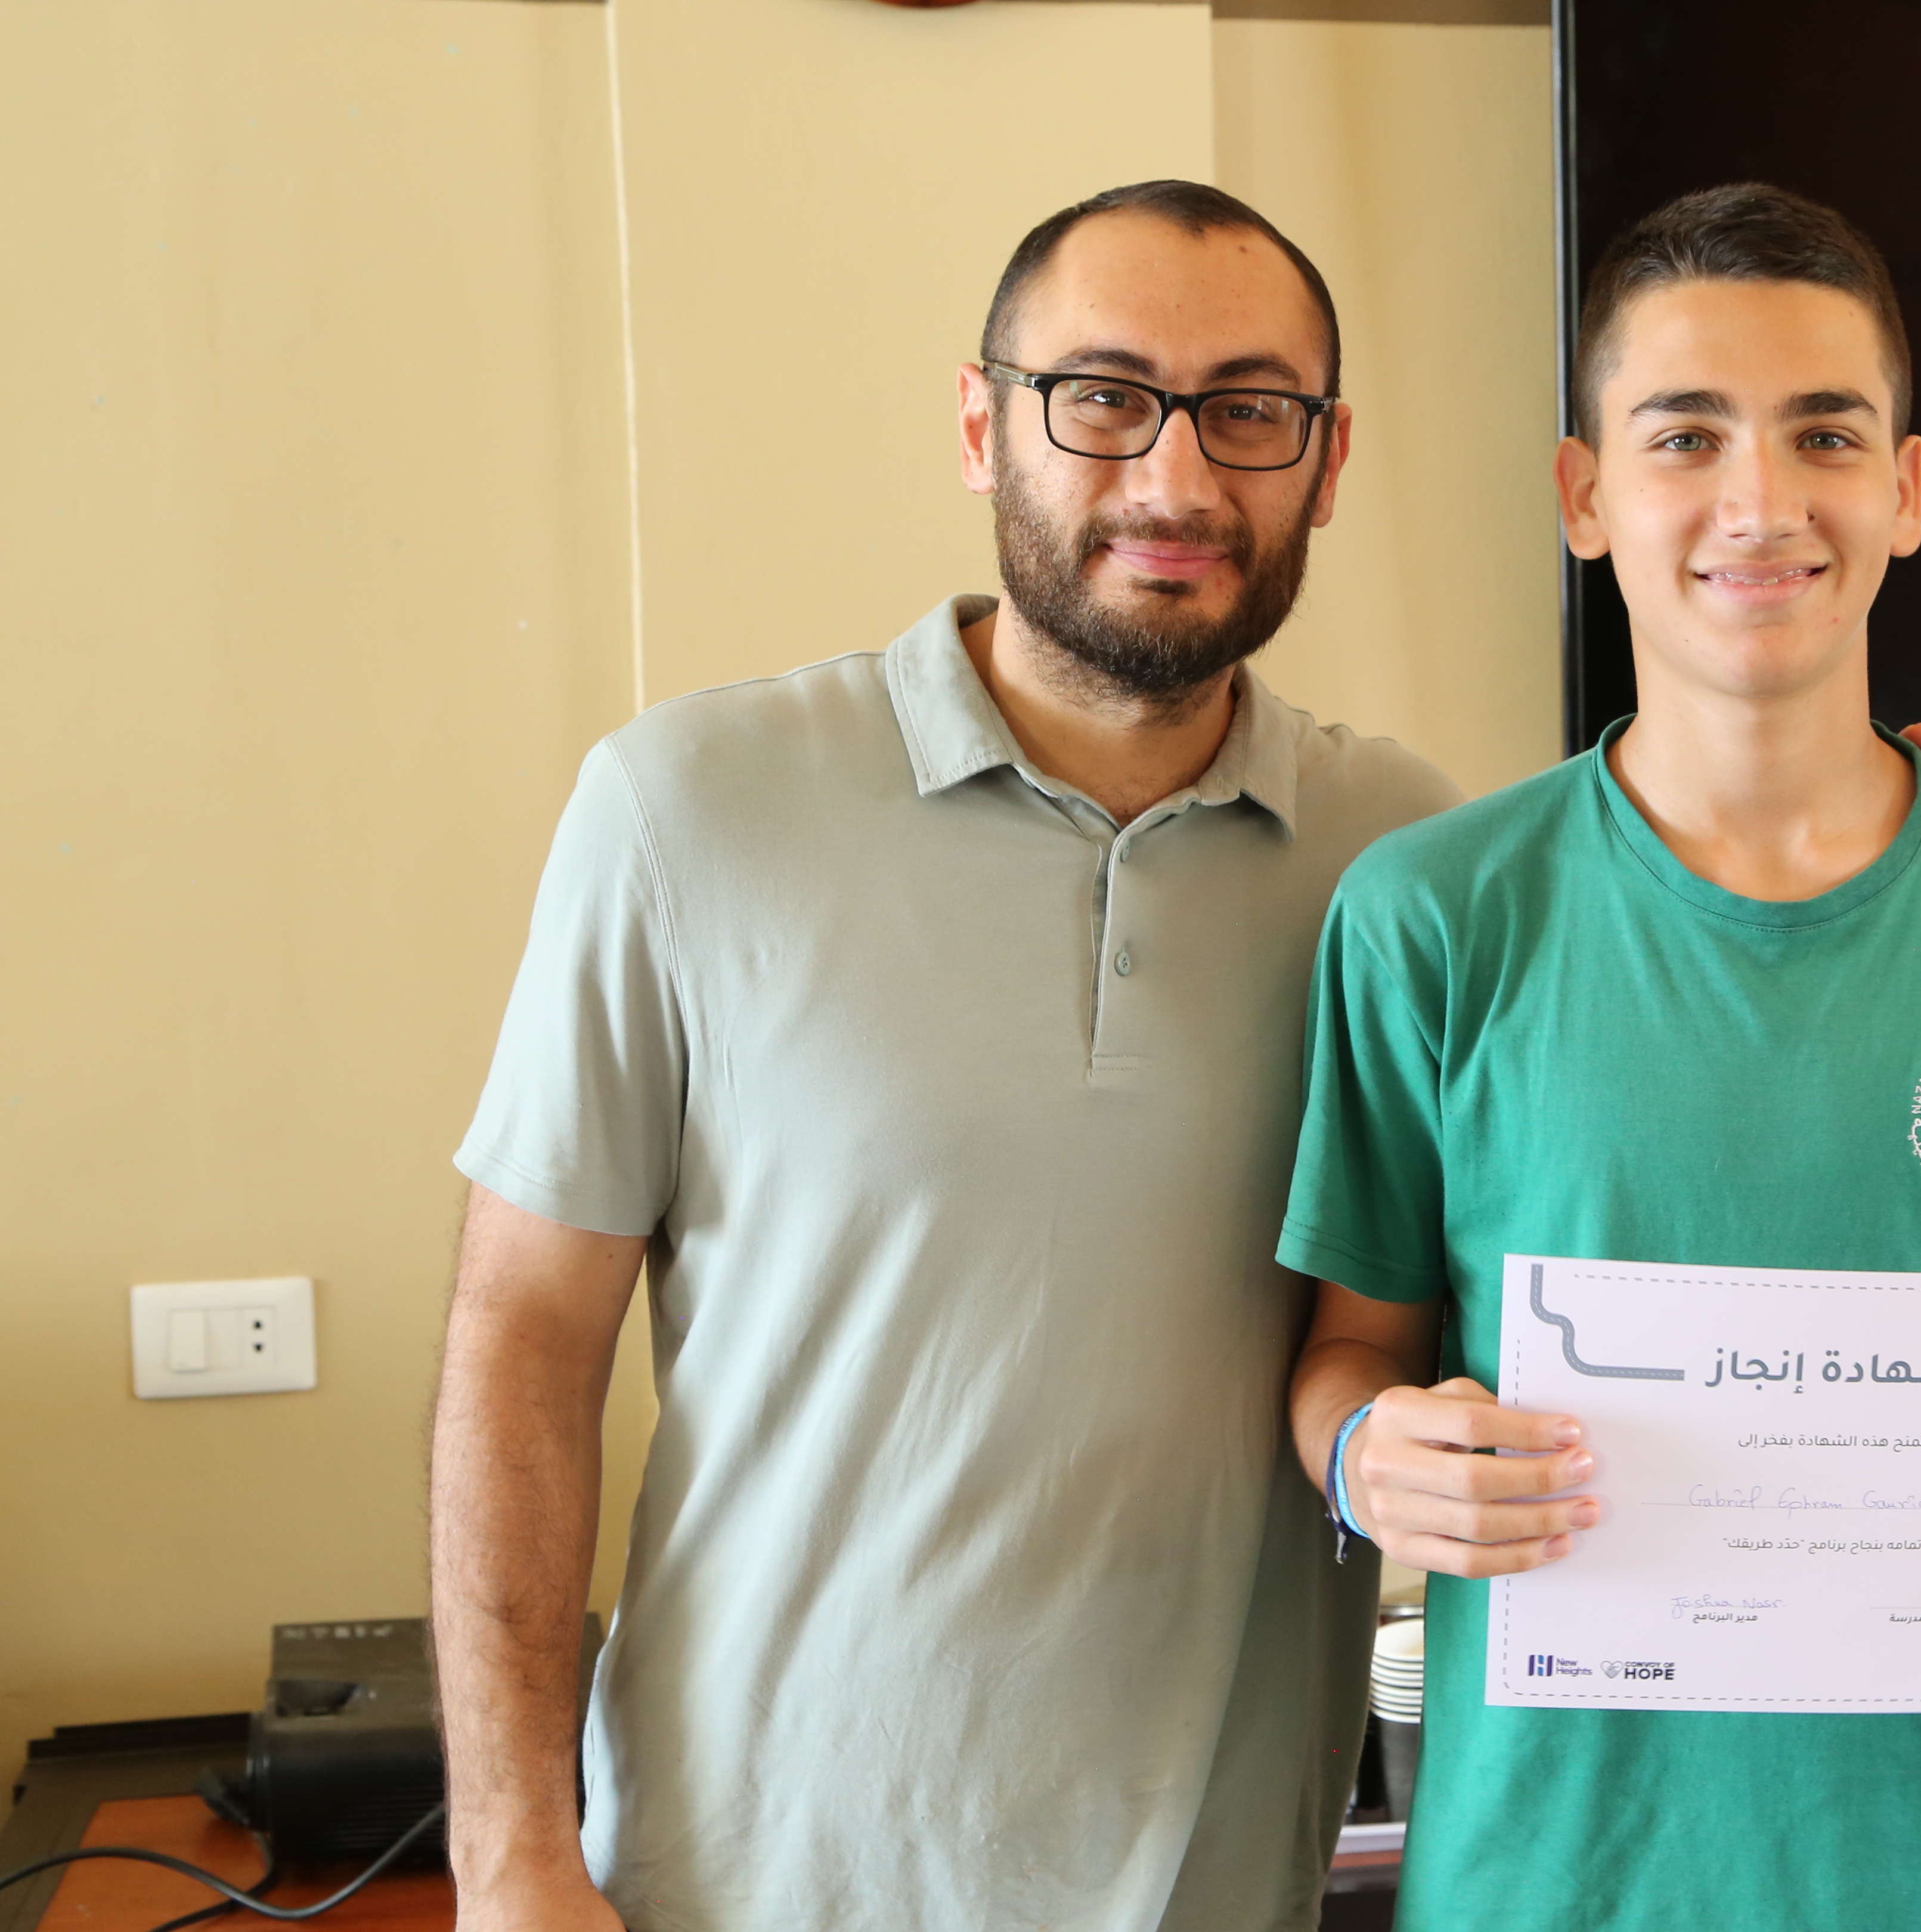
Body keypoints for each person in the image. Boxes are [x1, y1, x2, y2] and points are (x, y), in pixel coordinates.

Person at [1271, 184, 1921, 1932]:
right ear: (1585, 496)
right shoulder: (1434, 913)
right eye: (1685, 436)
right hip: (1552, 1880)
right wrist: (1367, 1455)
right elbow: (1349, 1350)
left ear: (1904, 491)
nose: (1760, 502)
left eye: (1823, 434)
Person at [429, 181, 1459, 1932]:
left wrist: (1896, 837)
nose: (1177, 477)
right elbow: (524, 1333)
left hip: (1218, 1887)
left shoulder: (1413, 860)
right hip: (741, 1885)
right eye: (1103, 397)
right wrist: (510, 1849)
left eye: (1250, 410)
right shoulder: (688, 810)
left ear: (1329, 459)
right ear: (983, 427)